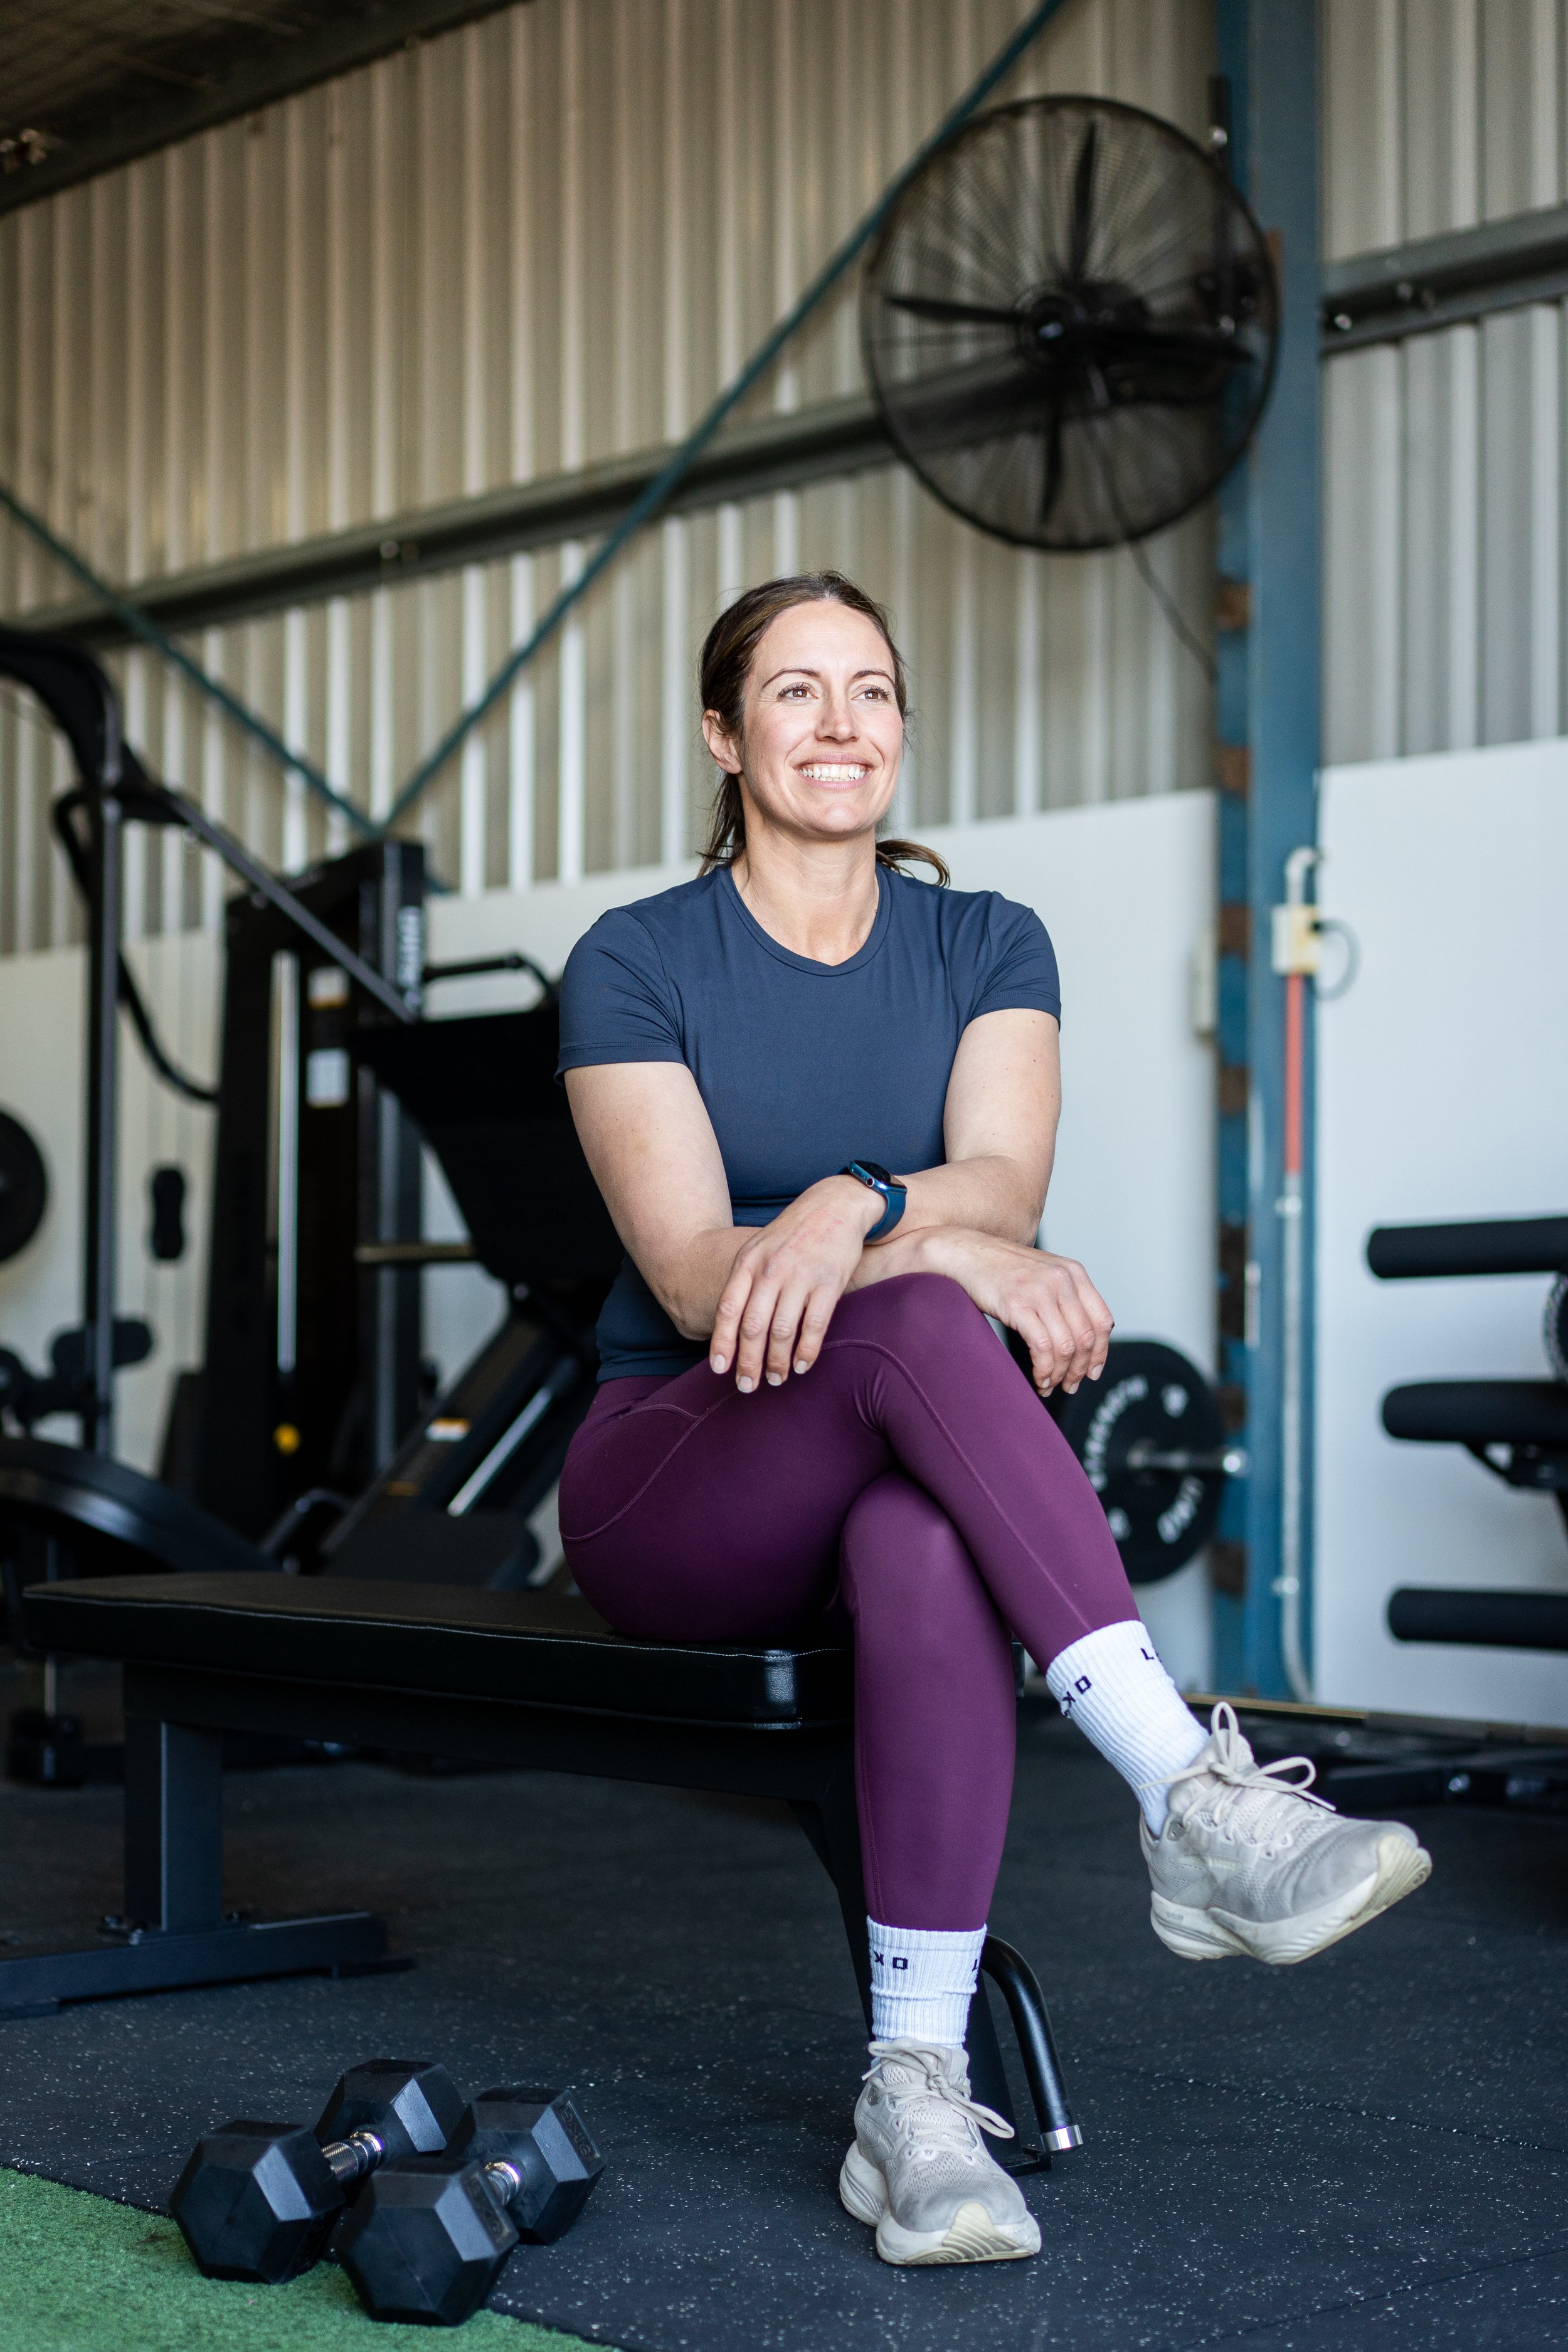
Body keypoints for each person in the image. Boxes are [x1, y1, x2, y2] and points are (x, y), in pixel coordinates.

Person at [554, 571, 1432, 2269]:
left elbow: (1005, 1190)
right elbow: (690, 1280)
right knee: (917, 1311)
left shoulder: (983, 942)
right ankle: (1188, 1793)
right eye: (794, 693)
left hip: (872, 1456)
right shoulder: (636, 959)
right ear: (723, 735)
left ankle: (916, 2094)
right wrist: (899, 1224)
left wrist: (848, 1205)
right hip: (675, 1477)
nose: (839, 725)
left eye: (870, 689)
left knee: (924, 1531)